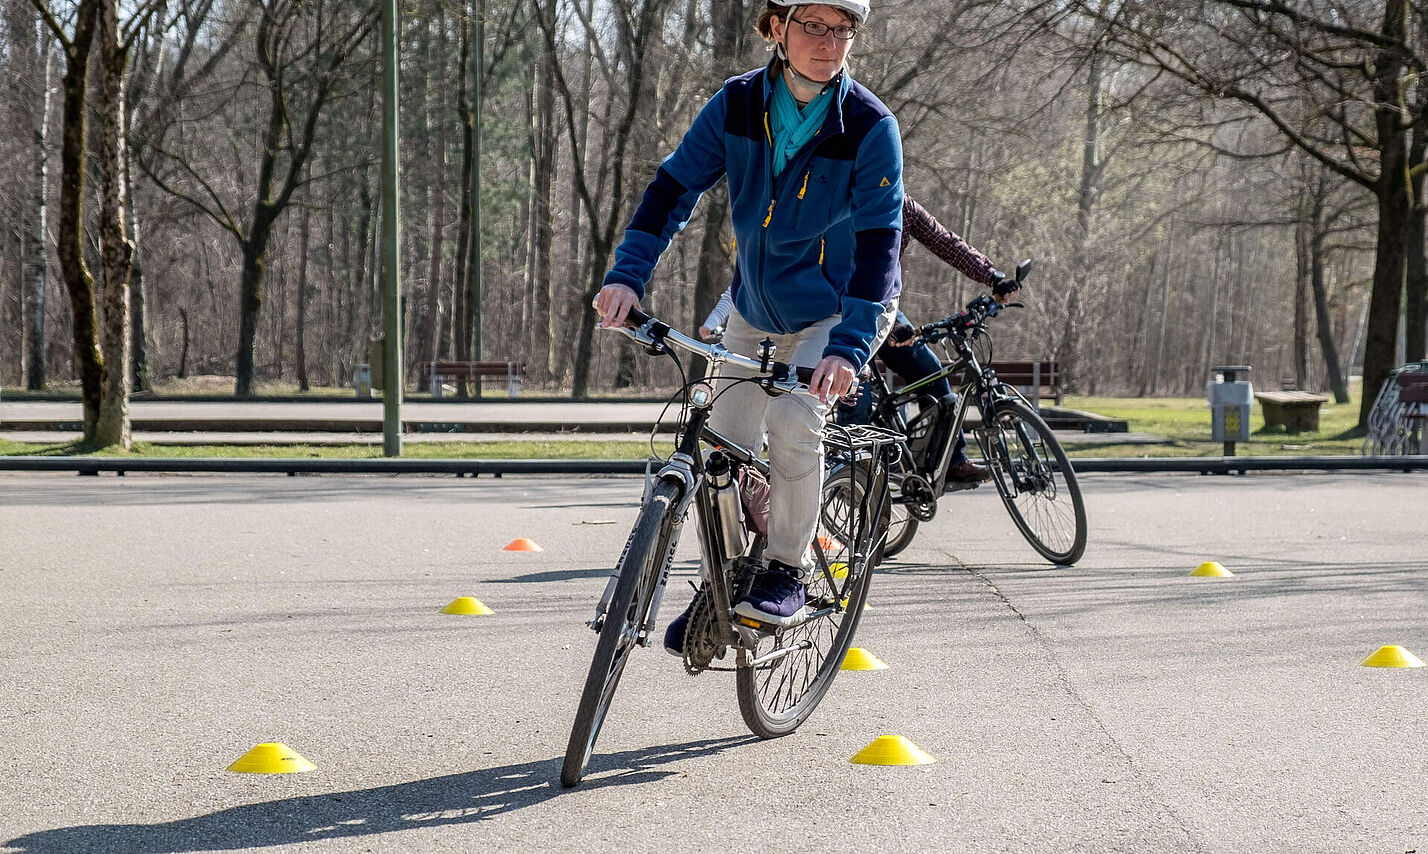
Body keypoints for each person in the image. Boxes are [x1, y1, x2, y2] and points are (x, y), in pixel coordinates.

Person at [594, 0, 904, 651]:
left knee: (793, 424)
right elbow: (673, 188)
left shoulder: (871, 126)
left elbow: (879, 247)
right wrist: (628, 274)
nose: (828, 41)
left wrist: (848, 349)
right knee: (718, 450)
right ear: (778, 28)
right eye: (812, 25)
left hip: (839, 311)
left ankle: (787, 570)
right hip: (754, 311)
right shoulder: (736, 105)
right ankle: (723, 581)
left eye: (841, 29)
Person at [702, 195, 1020, 483]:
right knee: (854, 385)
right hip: (830, 306)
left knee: (932, 373)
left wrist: (992, 276)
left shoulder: (902, 206)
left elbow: (946, 242)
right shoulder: (833, 197)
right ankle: (852, 471)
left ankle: (950, 459)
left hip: (879, 306)